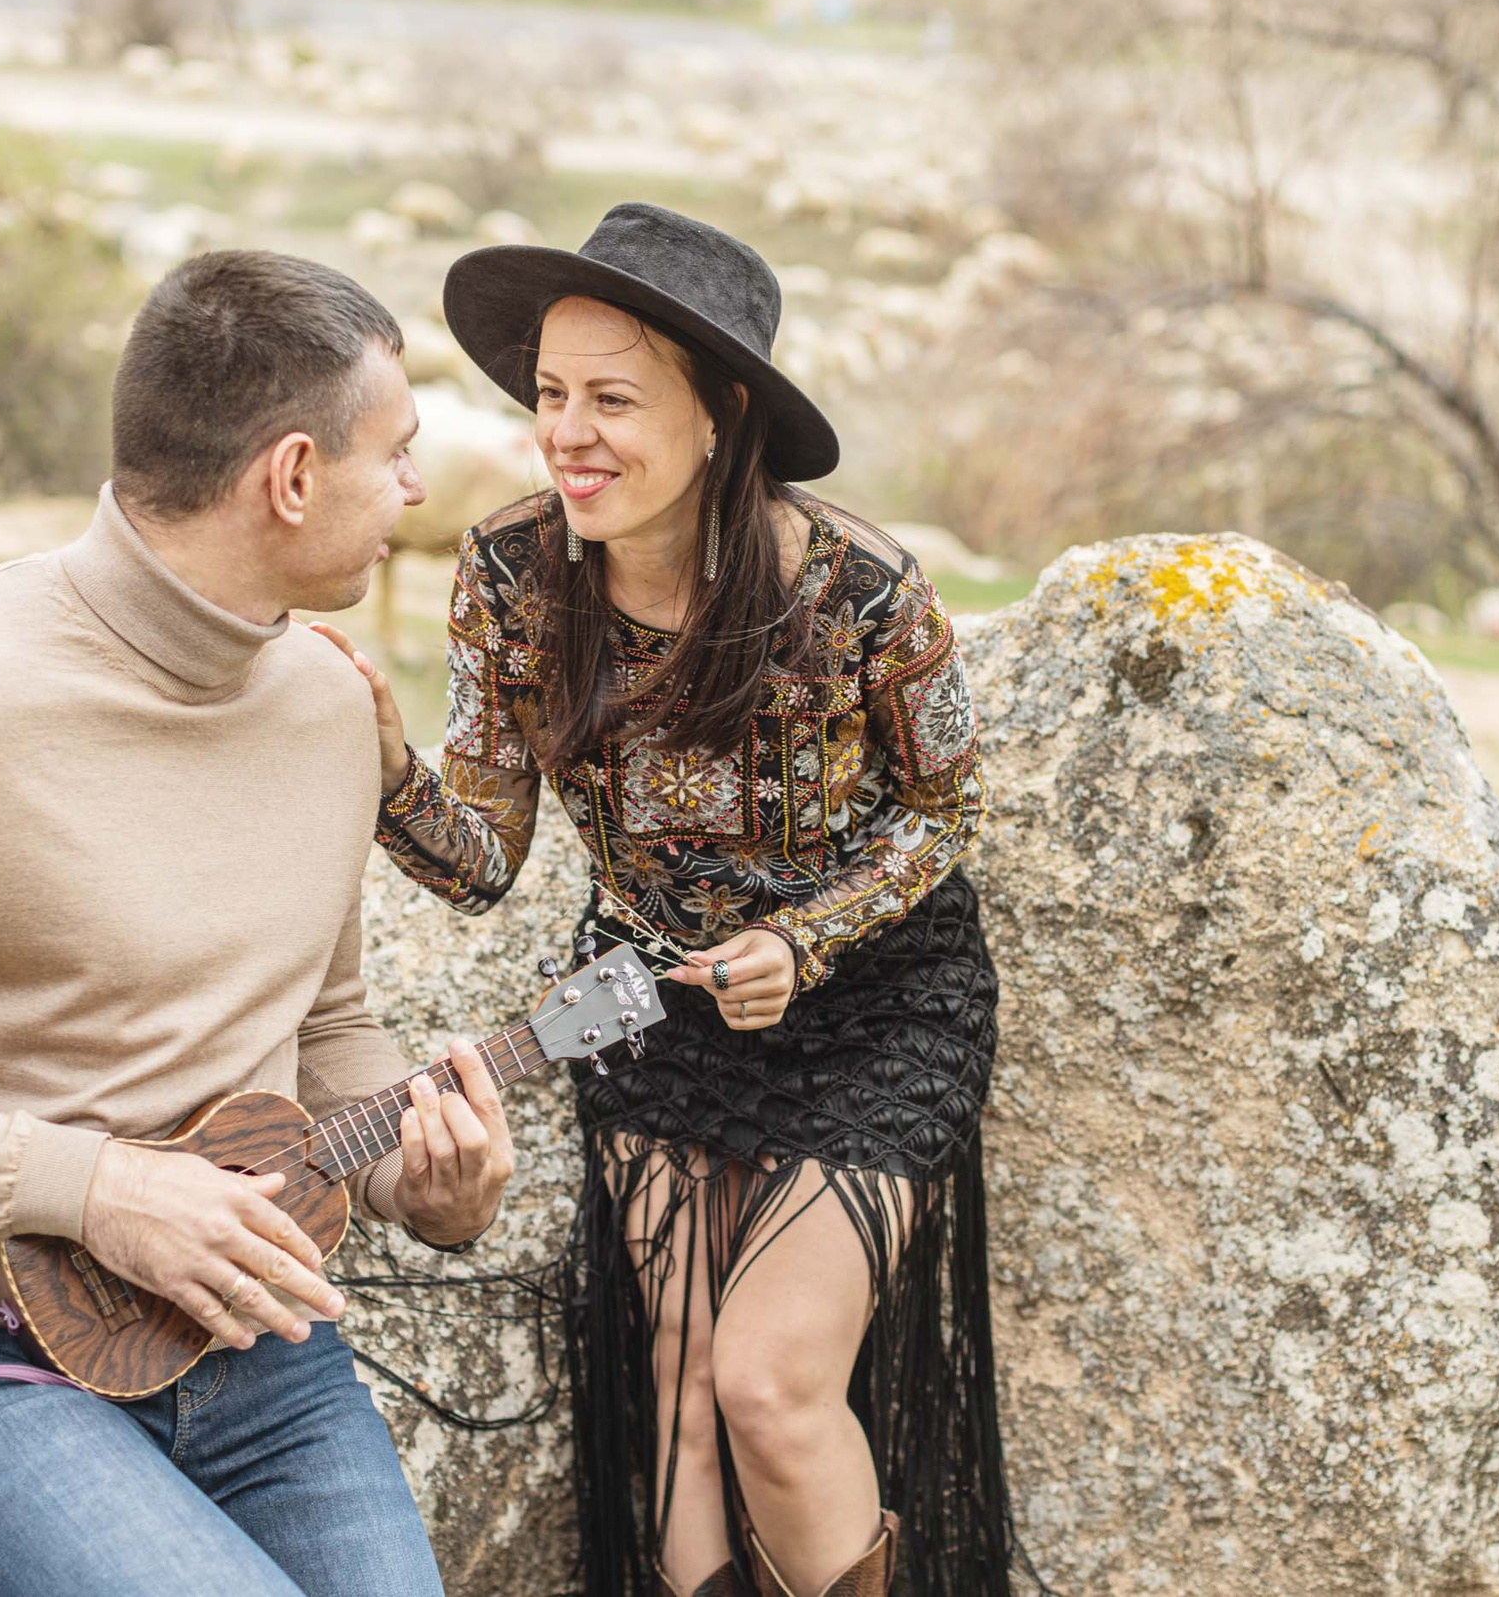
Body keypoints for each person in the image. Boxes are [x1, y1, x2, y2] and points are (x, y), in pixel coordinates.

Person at [0, 250, 515, 1597]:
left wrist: (425, 1187)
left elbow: (329, 1015)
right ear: (291, 477)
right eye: (395, 454)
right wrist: (95, 1190)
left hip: (251, 1345)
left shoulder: (334, 707)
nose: (418, 489)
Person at [324, 204, 1011, 1597]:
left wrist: (804, 943)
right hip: (646, 1007)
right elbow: (481, 863)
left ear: (722, 413)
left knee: (766, 1384)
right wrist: (388, 760)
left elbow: (952, 810)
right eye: (553, 397)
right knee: (684, 1403)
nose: (568, 433)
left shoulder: (865, 594)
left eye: (615, 399)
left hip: (878, 1011)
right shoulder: (510, 577)